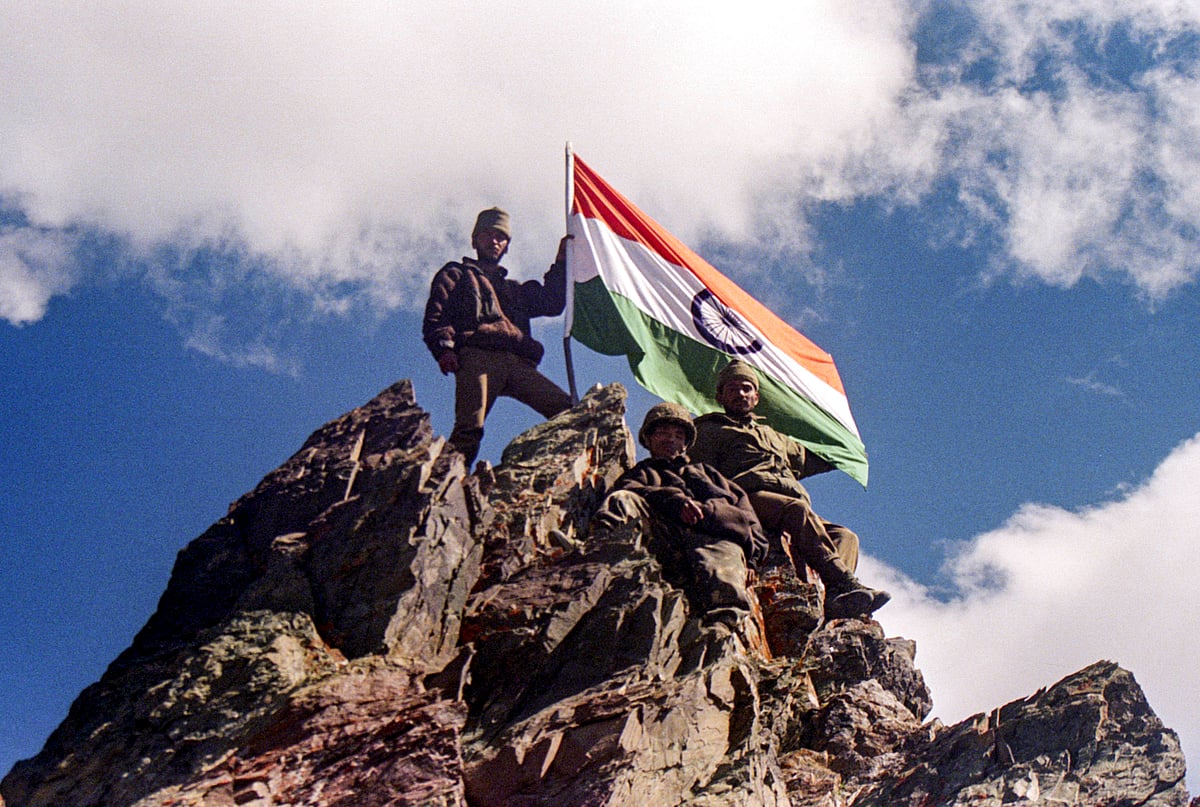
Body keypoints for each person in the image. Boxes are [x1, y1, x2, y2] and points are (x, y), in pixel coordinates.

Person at [690, 359, 890, 620]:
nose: (740, 393)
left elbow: (809, 460)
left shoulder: (774, 436)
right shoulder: (709, 430)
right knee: (796, 510)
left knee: (845, 536)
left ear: (756, 397)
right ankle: (843, 582)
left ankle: (835, 599)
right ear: (720, 396)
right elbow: (697, 471)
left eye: (746, 388)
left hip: (785, 501)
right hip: (746, 499)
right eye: (732, 389)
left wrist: (847, 450)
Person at [423, 207, 574, 465]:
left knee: (568, 410)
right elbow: (437, 315)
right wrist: (444, 349)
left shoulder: (514, 290)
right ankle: (446, 479)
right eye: (487, 234)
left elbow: (551, 302)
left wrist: (562, 261)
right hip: (477, 356)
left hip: (517, 362)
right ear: (475, 241)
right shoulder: (457, 274)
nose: (494, 241)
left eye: (501, 237)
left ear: (507, 246)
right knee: (470, 427)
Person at [592, 402, 768, 621]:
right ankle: (599, 554)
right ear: (649, 438)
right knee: (622, 500)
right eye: (663, 433)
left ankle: (720, 631)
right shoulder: (643, 472)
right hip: (667, 539)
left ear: (685, 444)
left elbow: (749, 519)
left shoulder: (711, 475)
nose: (670, 439)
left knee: (725, 584)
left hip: (714, 540)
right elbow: (629, 490)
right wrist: (673, 501)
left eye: (678, 435)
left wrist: (752, 561)